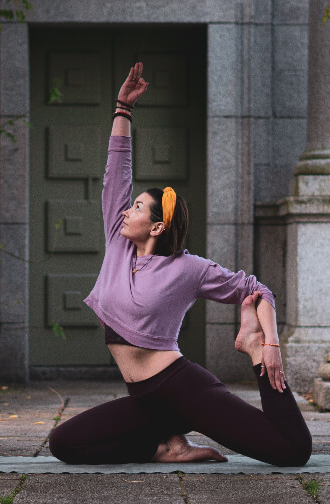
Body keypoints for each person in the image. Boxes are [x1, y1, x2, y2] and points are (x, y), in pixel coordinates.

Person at [48, 63, 312, 466]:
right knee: (64, 445)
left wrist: (269, 345)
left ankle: (253, 357)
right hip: (146, 400)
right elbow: (115, 173)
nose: (125, 209)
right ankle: (168, 447)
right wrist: (123, 108)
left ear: (156, 224)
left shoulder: (188, 269)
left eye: (136, 206)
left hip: (184, 390)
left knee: (292, 452)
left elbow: (257, 289)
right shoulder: (117, 245)